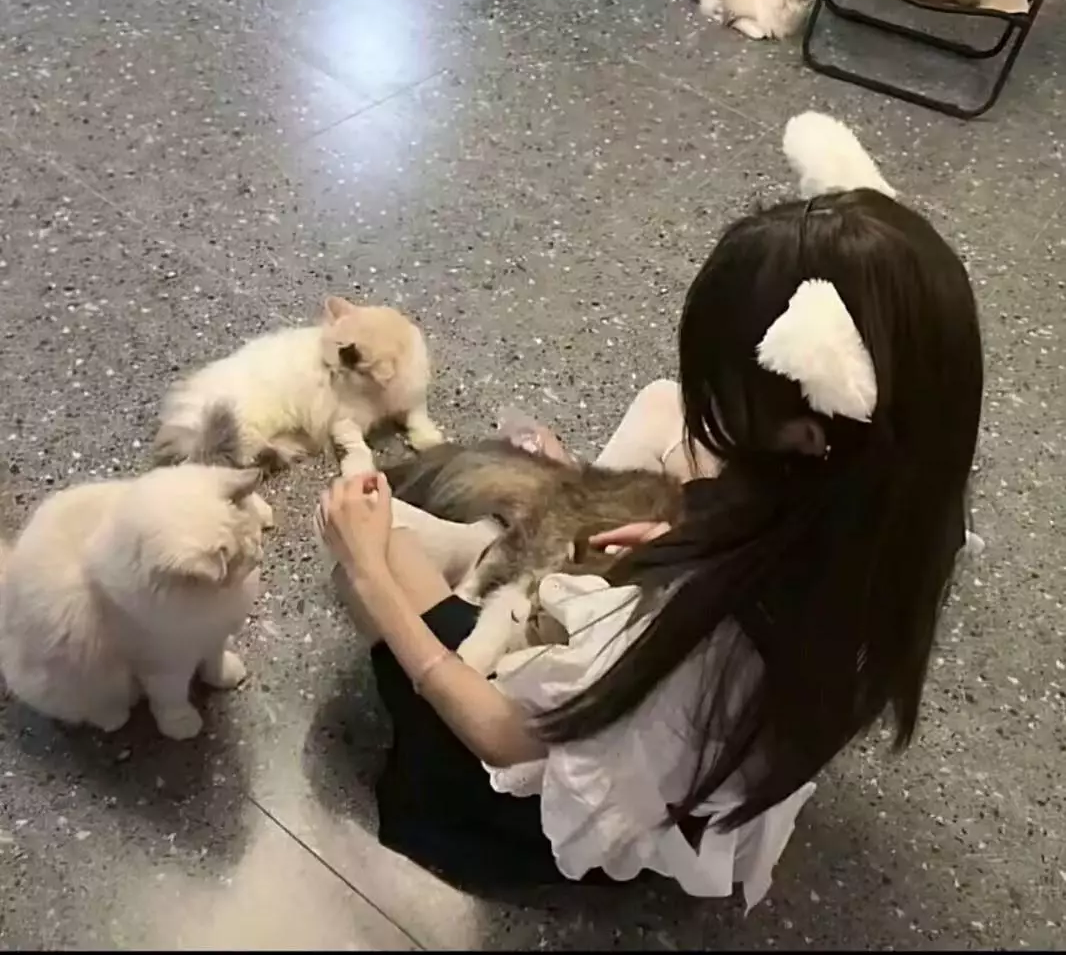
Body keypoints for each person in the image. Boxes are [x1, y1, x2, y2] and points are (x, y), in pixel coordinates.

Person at [317, 189, 983, 907]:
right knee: (661, 407)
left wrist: (373, 574)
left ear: (806, 434)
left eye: (725, 395)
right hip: (666, 691)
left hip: (540, 789)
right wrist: (686, 532)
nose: (709, 408)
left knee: (373, 548)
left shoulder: (712, 633)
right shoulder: (901, 507)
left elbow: (505, 739)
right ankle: (503, 553)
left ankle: (472, 563)